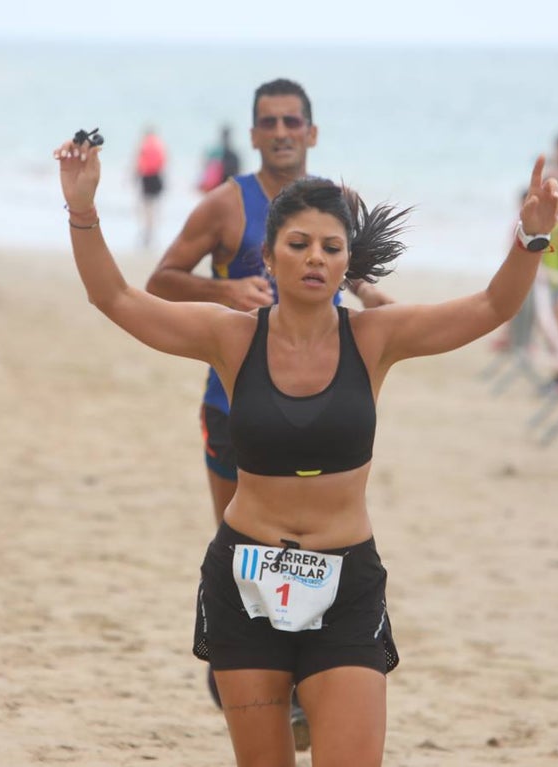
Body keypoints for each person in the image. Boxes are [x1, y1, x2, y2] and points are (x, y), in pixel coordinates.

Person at [54, 129, 558, 765]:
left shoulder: (377, 337)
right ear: (268, 256)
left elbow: (493, 305)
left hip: (346, 583)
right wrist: (83, 209)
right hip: (246, 584)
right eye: (298, 245)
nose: (315, 258)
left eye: (331, 246)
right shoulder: (233, 338)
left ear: (348, 261)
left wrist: (531, 238)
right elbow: (116, 297)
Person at [145, 77, 391, 745]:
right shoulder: (224, 206)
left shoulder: (340, 205)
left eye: (292, 121)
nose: (281, 132)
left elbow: (362, 280)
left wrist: (377, 310)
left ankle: (314, 678)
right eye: (268, 122)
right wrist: (227, 288)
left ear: (313, 133)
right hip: (235, 403)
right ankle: (254, 666)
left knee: (324, 534)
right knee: (246, 535)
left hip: (324, 398)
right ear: (253, 135)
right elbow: (160, 282)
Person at [134, 127, 167, 249]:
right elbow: (163, 162)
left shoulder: (143, 145)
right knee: (154, 206)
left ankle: (148, 233)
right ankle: (153, 232)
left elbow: (138, 164)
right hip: (157, 178)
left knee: (147, 207)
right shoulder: (159, 145)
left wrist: (134, 178)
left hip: (147, 178)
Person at [198, 124, 241, 193]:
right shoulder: (233, 154)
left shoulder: (216, 152)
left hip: (219, 187)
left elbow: (205, 167)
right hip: (224, 187)